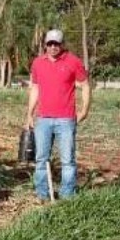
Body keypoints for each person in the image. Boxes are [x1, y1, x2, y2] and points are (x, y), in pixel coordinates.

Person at [26, 29, 91, 201]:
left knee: (67, 160)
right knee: (41, 159)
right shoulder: (38, 63)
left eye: (57, 44)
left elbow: (85, 85)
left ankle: (67, 195)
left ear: (62, 44)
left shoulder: (73, 61)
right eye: (50, 44)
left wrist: (84, 110)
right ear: (45, 45)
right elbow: (35, 88)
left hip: (66, 119)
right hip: (43, 119)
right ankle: (42, 194)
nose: (53, 47)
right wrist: (29, 113)